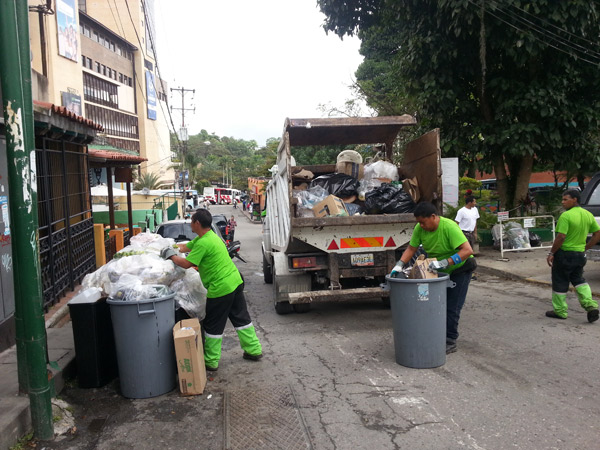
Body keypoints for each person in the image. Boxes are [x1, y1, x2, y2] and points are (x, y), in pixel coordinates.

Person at [160, 209, 262, 371]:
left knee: (213, 325)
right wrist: (170, 247)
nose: (191, 223)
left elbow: (186, 264)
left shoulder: (203, 243)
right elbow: (186, 247)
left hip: (220, 288)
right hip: (235, 282)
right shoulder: (209, 237)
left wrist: (170, 256)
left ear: (197, 223)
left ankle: (211, 361)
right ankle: (254, 350)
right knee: (241, 318)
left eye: (192, 221)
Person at [391, 202, 476, 354]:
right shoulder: (420, 228)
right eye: (419, 222)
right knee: (436, 305)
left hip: (460, 269)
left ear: (433, 217)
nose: (421, 226)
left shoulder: (448, 227)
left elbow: (467, 250)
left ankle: (449, 340)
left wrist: (445, 262)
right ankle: (436, 335)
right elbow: (411, 248)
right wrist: (399, 265)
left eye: (423, 222)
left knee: (452, 306)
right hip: (440, 271)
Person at [546, 189, 600, 322]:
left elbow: (561, 236)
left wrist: (552, 252)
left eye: (565, 199)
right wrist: (586, 247)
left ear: (575, 199)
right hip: (580, 255)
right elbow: (597, 234)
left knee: (560, 282)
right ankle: (590, 305)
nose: (562, 202)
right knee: (579, 280)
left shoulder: (566, 216)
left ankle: (560, 311)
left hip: (564, 254)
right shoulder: (588, 215)